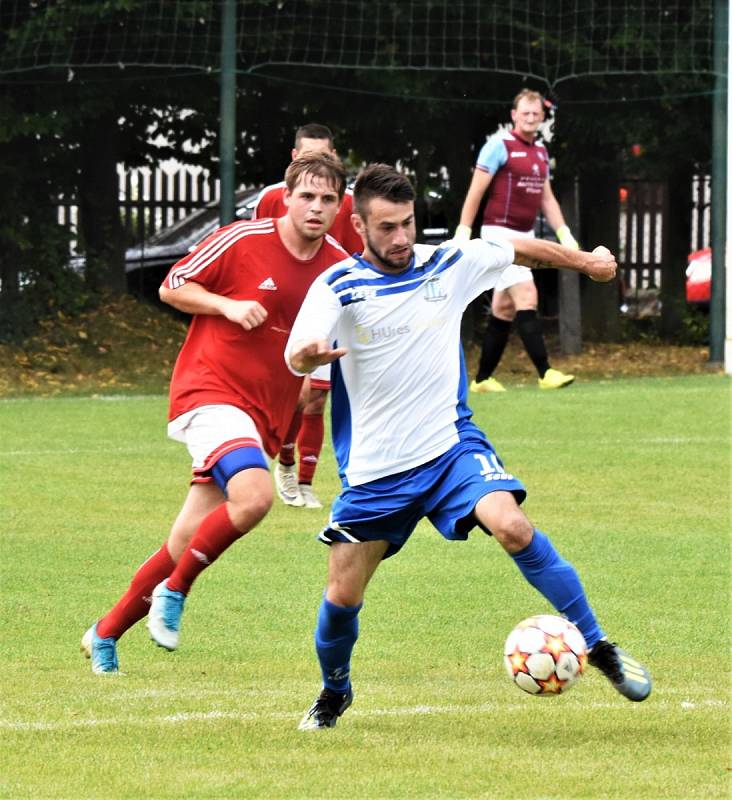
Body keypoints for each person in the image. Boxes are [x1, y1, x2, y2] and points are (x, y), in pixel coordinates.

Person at [286, 163, 652, 730]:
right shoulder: (338, 286)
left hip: (450, 446)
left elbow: (513, 249)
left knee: (513, 526)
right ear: (359, 226)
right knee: (342, 593)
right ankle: (335, 691)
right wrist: (308, 358)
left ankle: (598, 645)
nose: (401, 238)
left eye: (407, 223)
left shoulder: (446, 263)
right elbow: (296, 351)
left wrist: (585, 262)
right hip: (377, 471)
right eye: (386, 227)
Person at [80, 152, 348, 673]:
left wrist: (314, 375)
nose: (316, 207)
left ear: (339, 206)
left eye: (328, 199)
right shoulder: (243, 239)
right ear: (286, 197)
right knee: (253, 497)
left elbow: (329, 338)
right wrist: (227, 306)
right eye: (307, 196)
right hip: (209, 391)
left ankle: (105, 632)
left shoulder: (338, 266)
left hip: (263, 416)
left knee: (185, 540)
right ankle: (175, 594)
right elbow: (171, 285)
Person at [254, 123, 362, 510]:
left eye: (326, 156)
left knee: (315, 399)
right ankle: (284, 460)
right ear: (293, 158)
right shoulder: (271, 199)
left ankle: (302, 480)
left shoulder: (344, 204)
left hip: (327, 309)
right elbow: (259, 253)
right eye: (308, 155)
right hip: (283, 314)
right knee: (295, 398)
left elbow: (351, 258)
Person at [455, 88, 579, 392]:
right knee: (527, 297)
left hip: (525, 235)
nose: (531, 118)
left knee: (504, 308)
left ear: (541, 117)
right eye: (525, 113)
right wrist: (463, 229)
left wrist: (564, 233)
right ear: (514, 115)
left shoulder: (540, 152)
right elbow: (476, 190)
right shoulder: (498, 146)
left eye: (536, 114)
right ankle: (546, 373)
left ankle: (482, 380)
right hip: (500, 235)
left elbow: (547, 198)